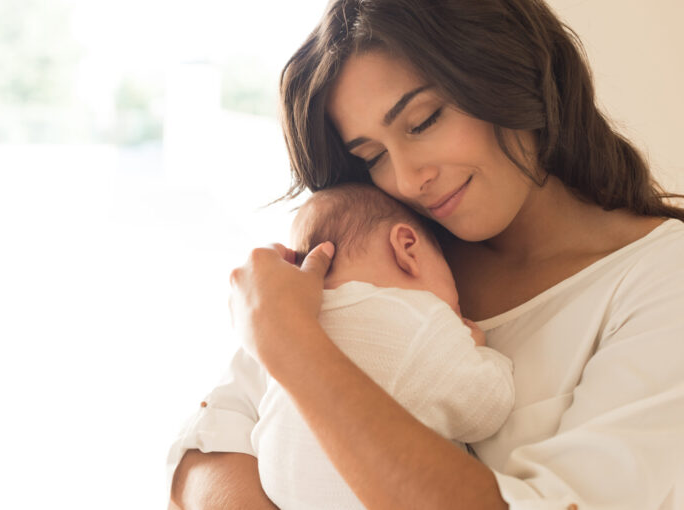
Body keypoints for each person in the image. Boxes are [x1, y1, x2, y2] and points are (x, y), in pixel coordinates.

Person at [169, 1, 684, 509]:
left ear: (508, 71)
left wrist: (296, 348)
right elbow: (207, 452)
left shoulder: (660, 279)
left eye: (423, 120)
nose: (409, 179)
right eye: (372, 156)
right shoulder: (385, 252)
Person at [251, 183, 514, 509]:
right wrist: (479, 350)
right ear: (408, 247)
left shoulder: (292, 324)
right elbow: (488, 408)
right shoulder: (418, 319)